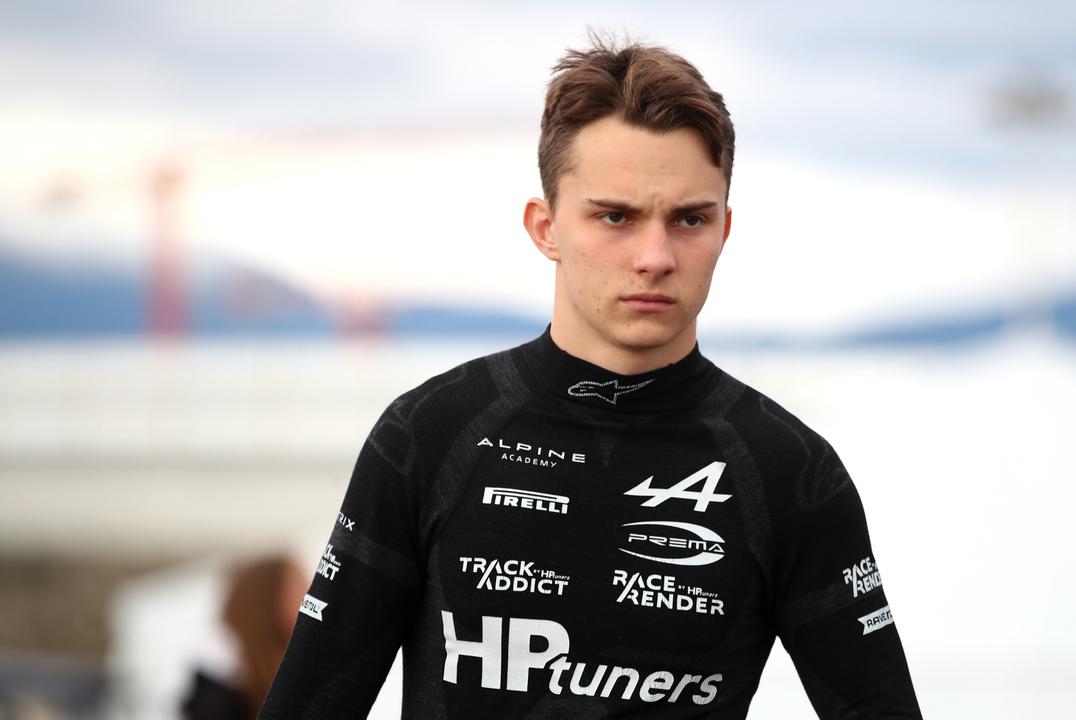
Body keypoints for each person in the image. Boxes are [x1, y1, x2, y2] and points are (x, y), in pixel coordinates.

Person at [260, 34, 922, 719]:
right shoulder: (427, 436)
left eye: (689, 219)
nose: (655, 256)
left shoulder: (790, 471)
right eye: (616, 217)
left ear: (725, 229)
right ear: (545, 227)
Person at [182, 555, 308, 720]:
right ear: (266, 602)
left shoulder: (284, 670)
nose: (309, 597)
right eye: (299, 589)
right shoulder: (218, 700)